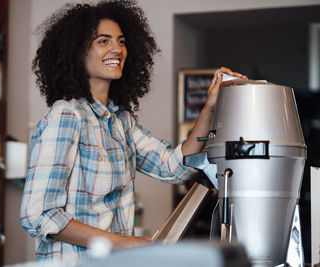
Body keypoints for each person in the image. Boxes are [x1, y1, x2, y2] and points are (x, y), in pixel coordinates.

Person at [20, 0, 245, 263]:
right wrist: (122, 244)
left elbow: (174, 167)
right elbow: (38, 213)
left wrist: (209, 107)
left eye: (122, 41)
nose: (117, 48)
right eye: (103, 41)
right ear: (76, 52)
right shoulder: (67, 116)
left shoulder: (120, 122)